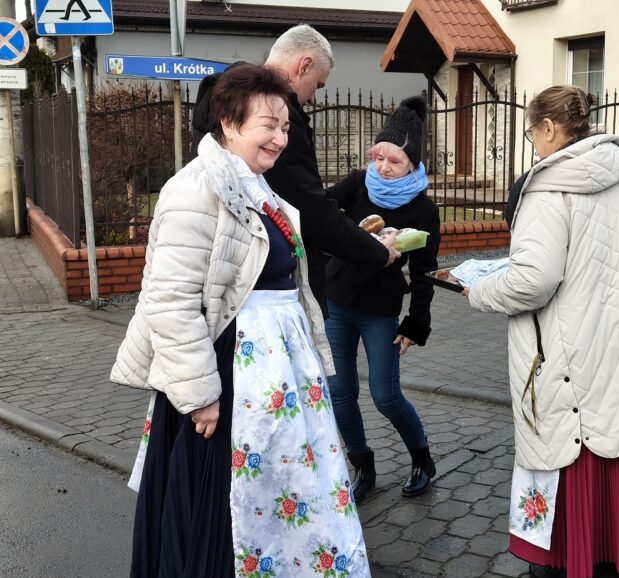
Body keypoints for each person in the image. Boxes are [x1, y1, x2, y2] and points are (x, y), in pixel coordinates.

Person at [111, 64, 371, 578]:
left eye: (285, 127)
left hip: (271, 385)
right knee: (223, 514)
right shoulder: (196, 189)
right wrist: (201, 395)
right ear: (229, 123)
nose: (279, 138)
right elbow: (169, 301)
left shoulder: (255, 185)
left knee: (276, 502)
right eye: (268, 126)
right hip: (226, 385)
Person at [464, 85, 619, 578]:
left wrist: (477, 291)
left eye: (533, 132)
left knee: (576, 476)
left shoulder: (548, 187)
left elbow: (533, 280)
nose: (533, 142)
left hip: (580, 356)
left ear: (550, 129)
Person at [192, 25, 399, 317]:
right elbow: (308, 210)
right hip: (258, 308)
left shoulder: (243, 172)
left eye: (286, 129)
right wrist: (375, 252)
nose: (280, 140)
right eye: (319, 84)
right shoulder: (187, 196)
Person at [323, 96, 441, 502]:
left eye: (394, 161)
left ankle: (422, 458)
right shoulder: (358, 184)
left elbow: (425, 271)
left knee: (385, 395)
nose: (383, 168)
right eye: (379, 157)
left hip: (380, 310)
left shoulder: (423, 209)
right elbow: (320, 213)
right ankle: (362, 465)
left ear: (412, 164)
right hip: (337, 303)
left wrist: (416, 323)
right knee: (340, 390)